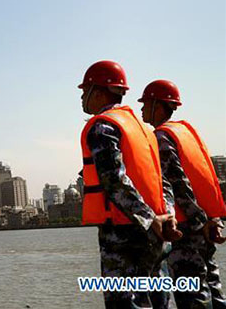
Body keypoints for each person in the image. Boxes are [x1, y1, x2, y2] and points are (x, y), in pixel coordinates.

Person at [78, 60, 182, 308]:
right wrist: (166, 216)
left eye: (85, 90)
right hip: (155, 233)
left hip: (124, 233)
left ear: (99, 90)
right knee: (156, 302)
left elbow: (113, 180)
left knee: (124, 303)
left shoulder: (103, 127)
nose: (82, 97)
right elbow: (162, 181)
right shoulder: (143, 130)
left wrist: (148, 218)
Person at [141, 79, 226, 309]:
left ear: (158, 105)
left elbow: (179, 184)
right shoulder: (187, 133)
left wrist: (198, 223)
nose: (141, 108)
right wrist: (212, 220)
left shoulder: (160, 137)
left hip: (187, 227)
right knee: (213, 288)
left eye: (145, 103)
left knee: (192, 296)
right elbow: (207, 180)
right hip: (206, 224)